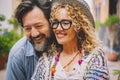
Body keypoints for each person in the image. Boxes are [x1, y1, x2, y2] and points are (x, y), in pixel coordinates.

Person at [31, 0, 109, 80]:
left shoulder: (94, 57)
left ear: (78, 26)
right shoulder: (46, 60)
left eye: (65, 23)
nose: (58, 28)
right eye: (55, 22)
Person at [6, 0, 54, 80]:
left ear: (51, 23)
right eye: (28, 28)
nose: (34, 34)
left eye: (38, 26)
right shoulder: (18, 55)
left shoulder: (66, 44)